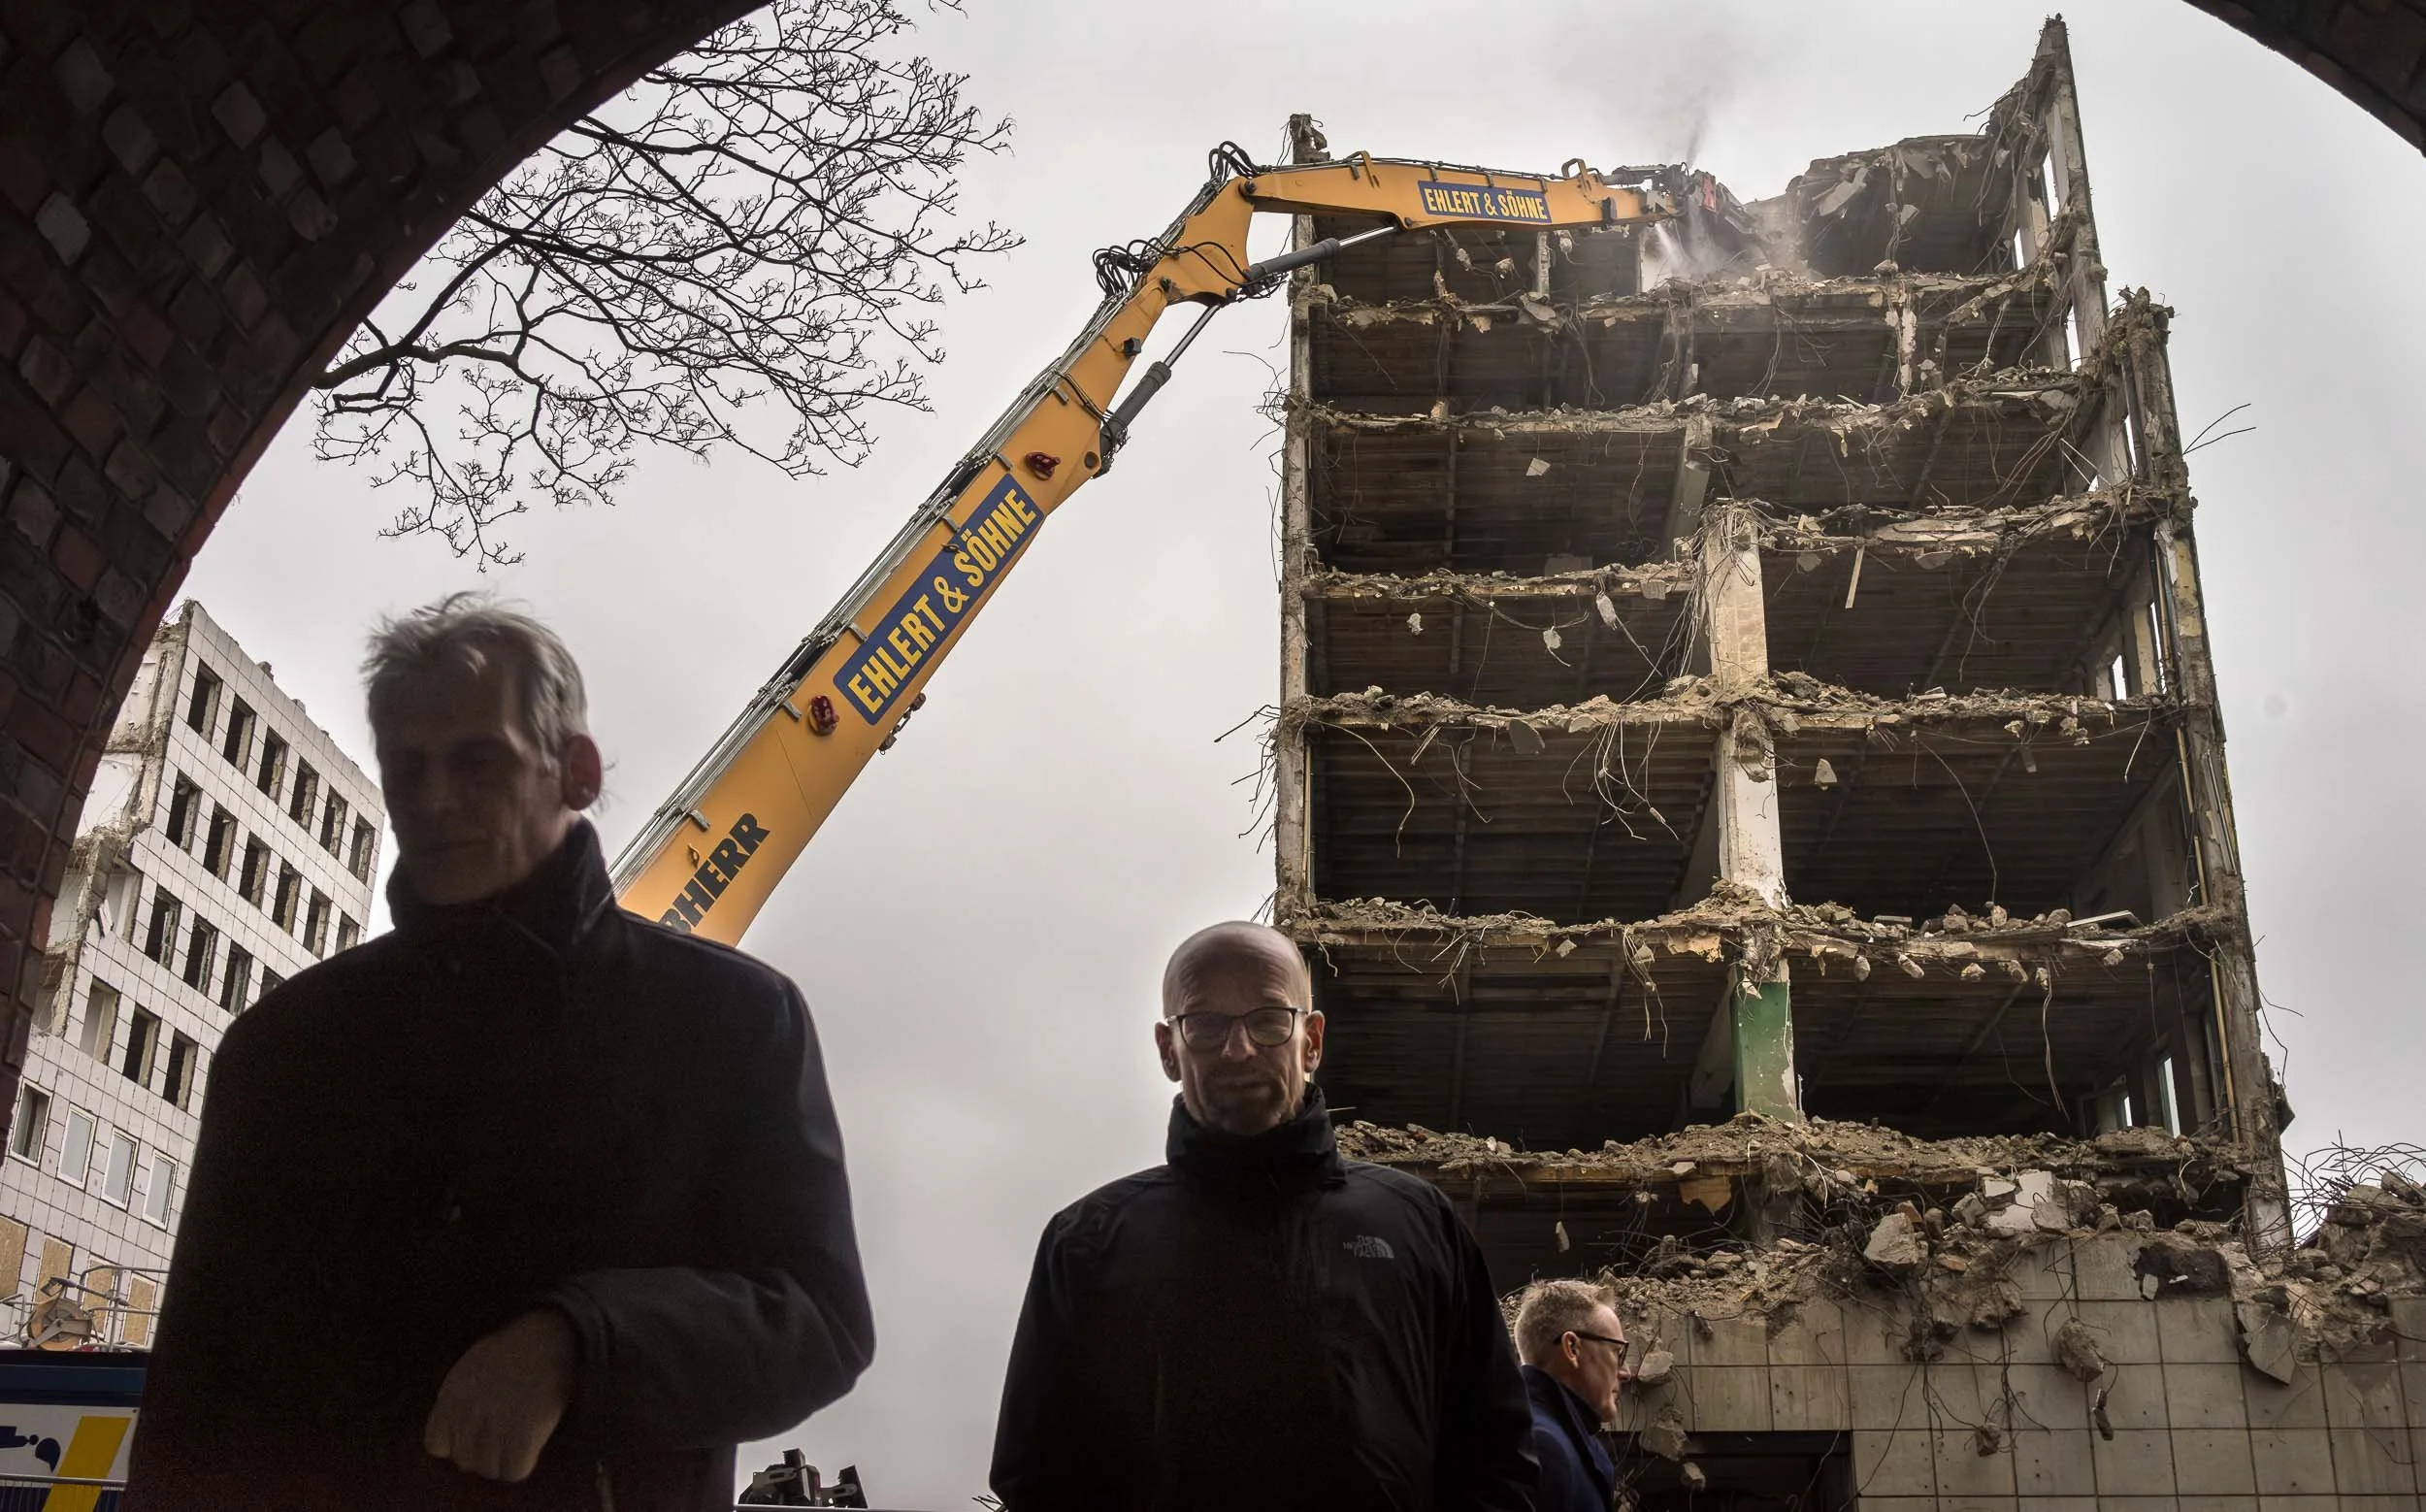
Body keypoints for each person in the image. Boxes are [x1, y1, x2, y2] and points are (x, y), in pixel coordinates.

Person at [127, 595, 873, 1511]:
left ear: (577, 773)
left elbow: (821, 1322)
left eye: (479, 761)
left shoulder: (736, 1022)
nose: (434, 800)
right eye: (407, 768)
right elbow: (196, 1404)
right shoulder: (284, 1049)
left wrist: (581, 1343)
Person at [989, 920, 1534, 1512]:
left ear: (1311, 1040)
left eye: (1269, 1020)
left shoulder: (1419, 1223)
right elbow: (1038, 1476)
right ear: (1169, 1049)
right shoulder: (1087, 1243)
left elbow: (1496, 1456)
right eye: (1205, 1024)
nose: (1239, 1049)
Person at [1511, 1280, 1633, 1512]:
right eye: (1617, 1352)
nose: (1626, 1373)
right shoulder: (1543, 1447)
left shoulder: (1552, 1439)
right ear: (1572, 1348)